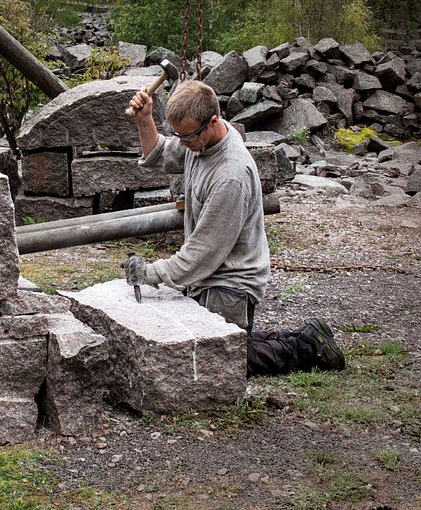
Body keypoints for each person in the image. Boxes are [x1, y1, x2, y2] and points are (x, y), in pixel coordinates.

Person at [122, 79, 345, 377]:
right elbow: (160, 153)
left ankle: (306, 347)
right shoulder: (201, 140)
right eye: (179, 135)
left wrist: (150, 273)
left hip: (231, 284)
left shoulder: (231, 176)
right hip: (209, 277)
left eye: (186, 137)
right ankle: (307, 334)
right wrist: (145, 119)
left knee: (218, 361)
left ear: (212, 122)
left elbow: (201, 253)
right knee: (214, 345)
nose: (182, 143)